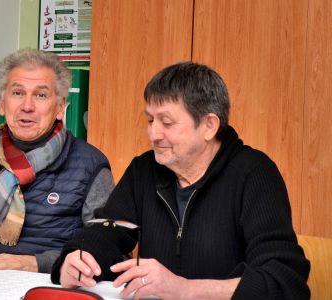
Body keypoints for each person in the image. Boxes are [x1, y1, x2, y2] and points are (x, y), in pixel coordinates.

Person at [52, 62, 310, 299]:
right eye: (150, 120)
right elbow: (105, 233)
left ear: (209, 125)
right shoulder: (144, 170)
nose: (153, 134)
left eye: (166, 122)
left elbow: (284, 281)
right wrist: (75, 259)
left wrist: (184, 288)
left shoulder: (254, 173)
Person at [0, 49, 114, 273]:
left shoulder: (89, 165)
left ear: (60, 108)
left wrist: (33, 263)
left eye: (41, 95)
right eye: (17, 93)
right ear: (2, 104)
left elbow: (106, 250)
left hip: (41, 288)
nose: (27, 106)